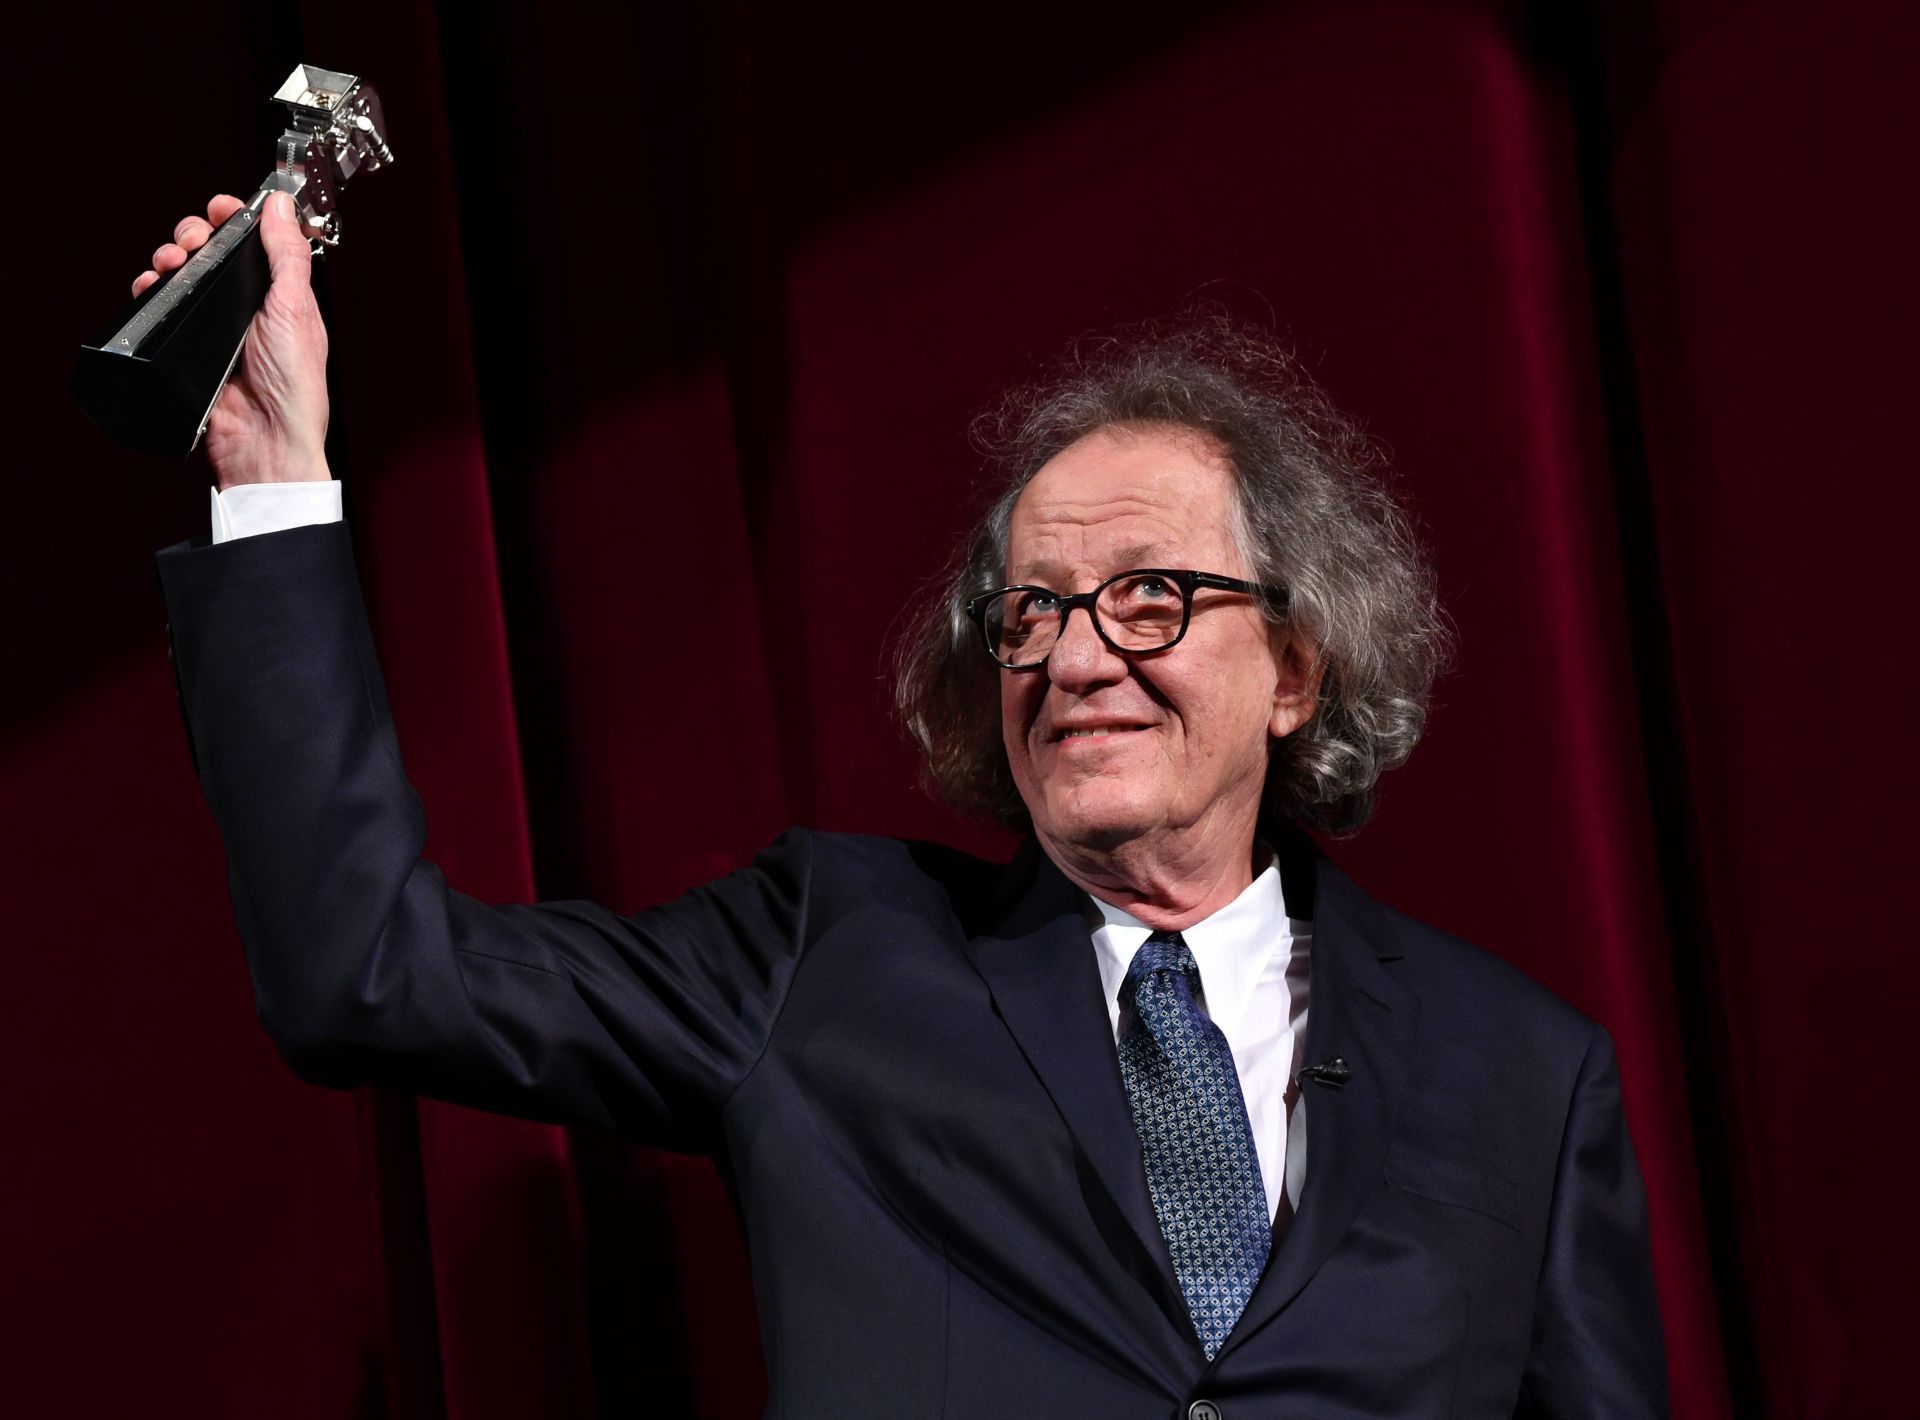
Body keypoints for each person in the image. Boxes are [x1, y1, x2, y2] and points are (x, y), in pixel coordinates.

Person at [142, 192, 1670, 1416]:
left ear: (1292, 664)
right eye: (1030, 612)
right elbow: (368, 975)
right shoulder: (829, 952)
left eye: (1148, 597)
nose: (1076, 657)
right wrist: (276, 474)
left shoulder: (1522, 1076)